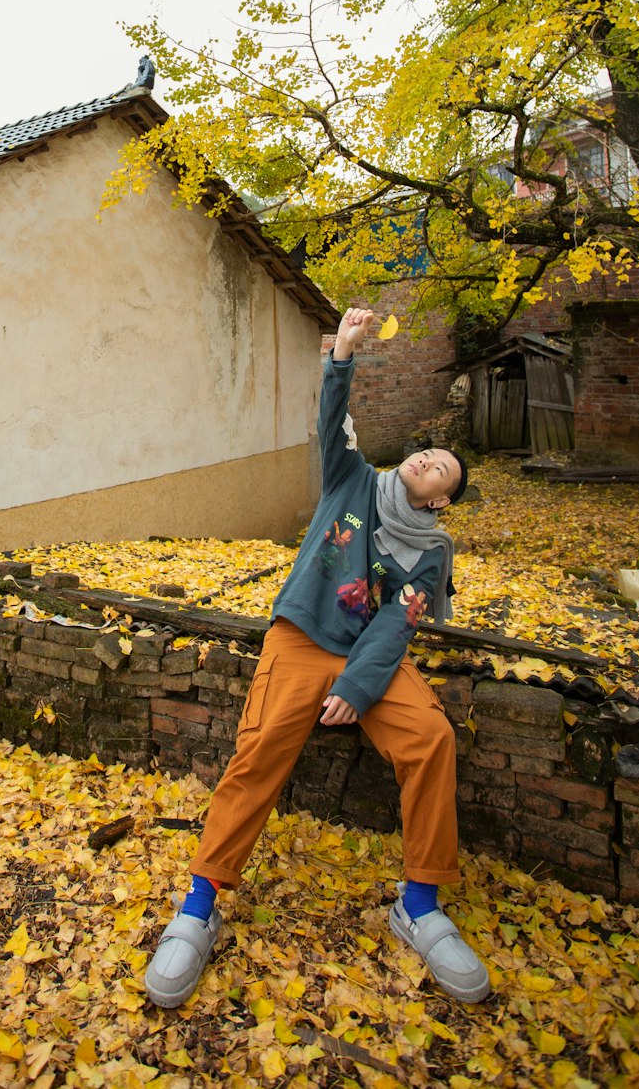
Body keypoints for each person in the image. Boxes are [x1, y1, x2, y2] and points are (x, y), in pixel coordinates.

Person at [144, 307, 490, 1008]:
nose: (427, 460)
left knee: (430, 739)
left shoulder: (431, 554)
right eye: (428, 453)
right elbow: (333, 420)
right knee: (260, 749)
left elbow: (400, 624)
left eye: (441, 468)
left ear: (444, 497)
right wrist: (343, 357)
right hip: (300, 639)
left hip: (369, 658)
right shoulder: (352, 481)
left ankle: (419, 905)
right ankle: (198, 906)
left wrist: (360, 688)